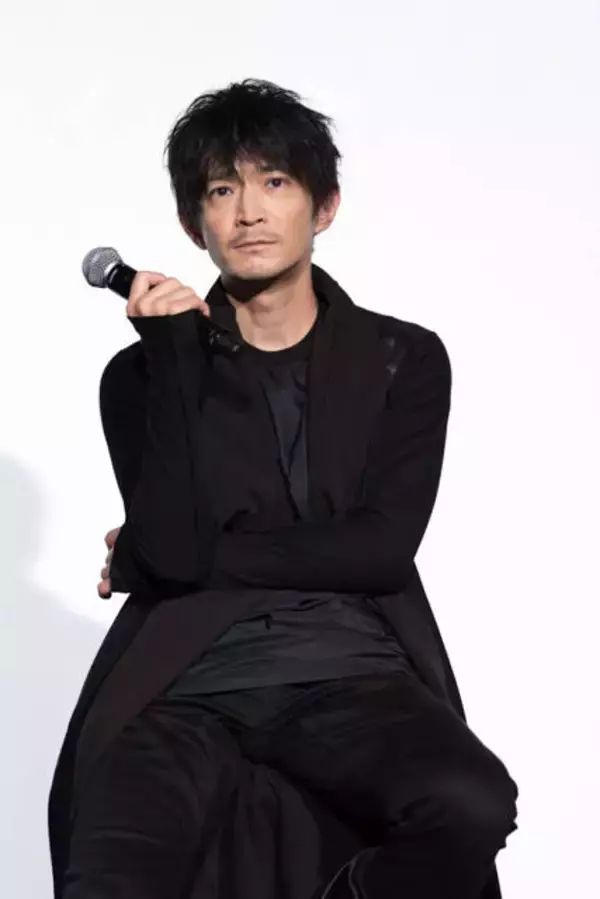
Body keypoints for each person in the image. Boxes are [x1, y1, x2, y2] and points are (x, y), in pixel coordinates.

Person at [49, 78, 518, 899]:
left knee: (472, 804)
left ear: (324, 206)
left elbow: (378, 550)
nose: (249, 213)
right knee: (108, 874)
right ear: (193, 224)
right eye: (220, 191)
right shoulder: (139, 377)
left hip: (348, 667)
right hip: (185, 680)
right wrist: (174, 361)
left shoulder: (402, 359)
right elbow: (175, 552)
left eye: (274, 182)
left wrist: (158, 558)